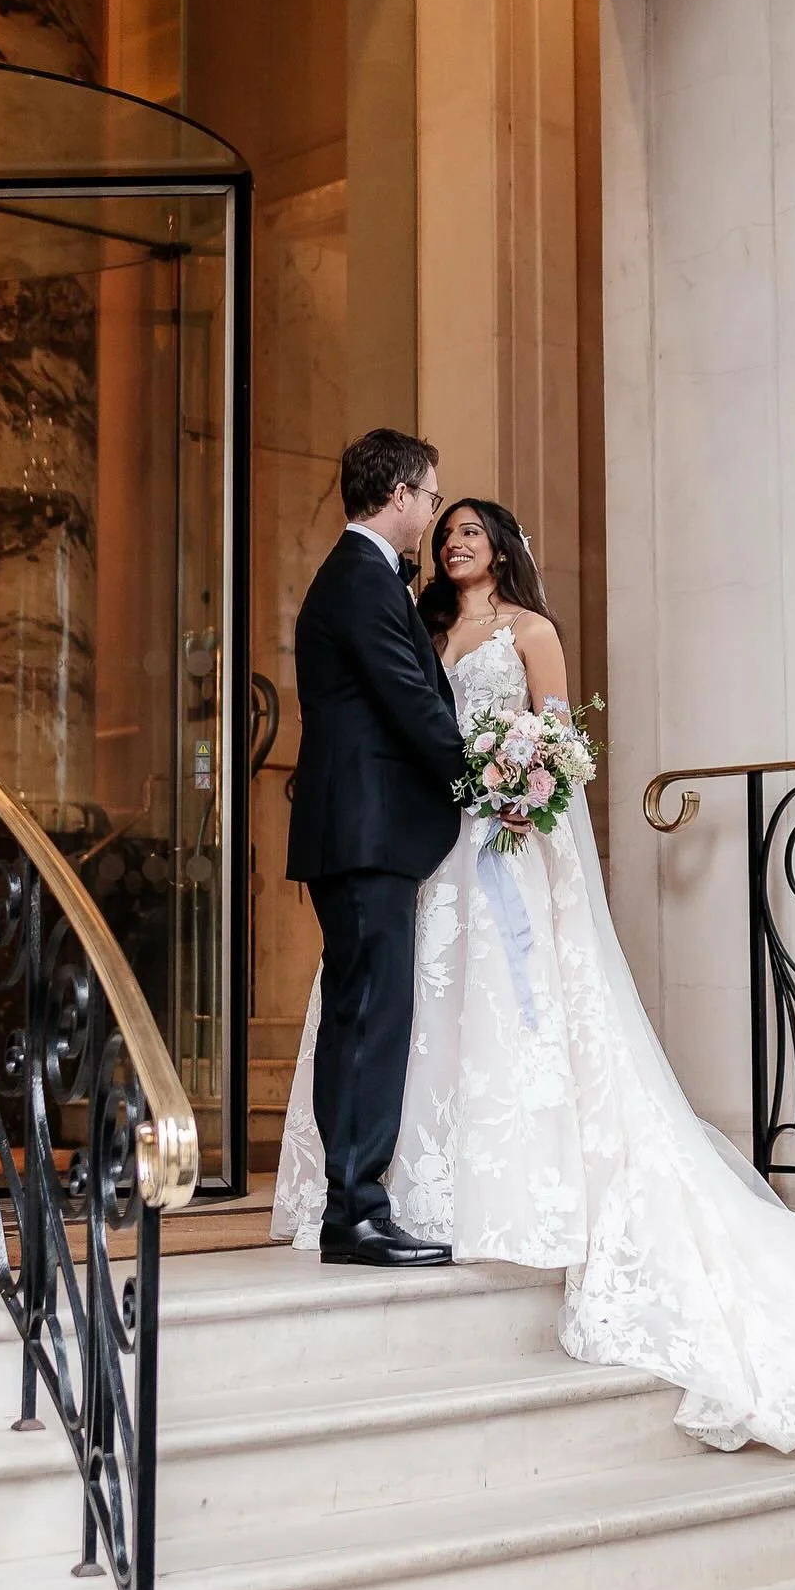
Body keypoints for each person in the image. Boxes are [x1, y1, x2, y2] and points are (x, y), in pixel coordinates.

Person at [275, 498, 795, 1452]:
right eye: (444, 529)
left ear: (501, 548)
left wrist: (524, 786)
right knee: (412, 1013)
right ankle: (402, 1190)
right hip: (430, 849)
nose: (455, 542)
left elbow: (561, 747)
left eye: (471, 531)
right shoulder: (421, 625)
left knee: (506, 1013)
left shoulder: (533, 632)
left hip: (500, 847)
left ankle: (505, 1190)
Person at [284, 429, 468, 1268]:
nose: (432, 513)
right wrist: (483, 776)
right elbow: (409, 702)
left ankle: (355, 1204)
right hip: (365, 834)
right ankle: (355, 1211)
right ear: (400, 495)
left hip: (362, 833)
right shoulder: (359, 581)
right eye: (431, 497)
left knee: (367, 1017)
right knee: (369, 1022)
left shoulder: (362, 578)